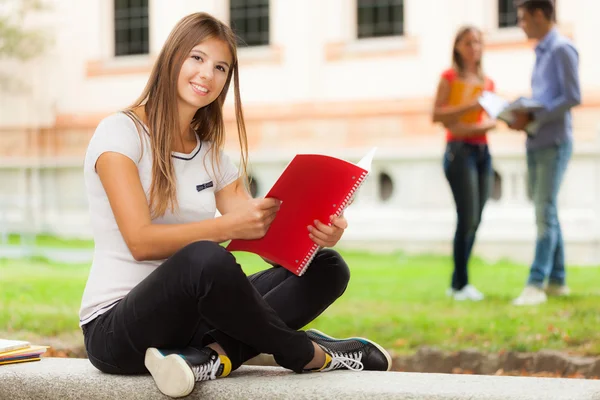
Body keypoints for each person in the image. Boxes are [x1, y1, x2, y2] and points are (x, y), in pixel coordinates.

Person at [78, 12, 391, 399]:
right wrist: (226, 228)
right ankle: (309, 353)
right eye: (197, 58)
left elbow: (260, 232)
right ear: (172, 57)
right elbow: (140, 241)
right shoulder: (119, 132)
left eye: (220, 67)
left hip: (190, 327)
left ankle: (214, 356)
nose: (206, 74)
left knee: (326, 268)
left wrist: (317, 233)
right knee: (205, 259)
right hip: (116, 329)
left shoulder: (210, 155)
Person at [509, 0, 580, 306]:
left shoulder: (562, 48)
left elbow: (572, 96)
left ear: (540, 15)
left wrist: (535, 116)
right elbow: (545, 97)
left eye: (523, 18)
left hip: (554, 141)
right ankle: (558, 280)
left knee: (544, 212)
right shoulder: (540, 51)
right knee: (546, 210)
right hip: (535, 141)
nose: (521, 24)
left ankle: (535, 283)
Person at [432, 26, 497, 301]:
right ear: (457, 46)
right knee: (467, 217)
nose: (475, 47)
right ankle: (460, 284)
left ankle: (458, 282)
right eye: (469, 42)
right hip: (459, 153)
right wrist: (469, 111)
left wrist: (480, 123)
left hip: (483, 152)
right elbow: (438, 115)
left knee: (476, 219)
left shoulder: (487, 82)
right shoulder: (449, 78)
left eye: (478, 42)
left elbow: (492, 117)